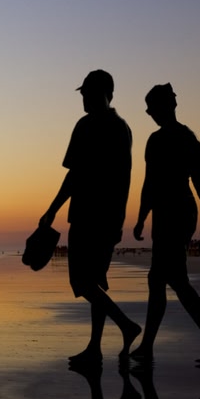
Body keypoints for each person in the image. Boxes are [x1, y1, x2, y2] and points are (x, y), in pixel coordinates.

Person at [40, 70, 141, 364]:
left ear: (106, 94)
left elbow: (118, 178)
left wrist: (53, 209)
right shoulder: (97, 126)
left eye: (88, 93)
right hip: (92, 215)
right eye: (83, 93)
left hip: (94, 217)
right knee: (93, 282)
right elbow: (77, 174)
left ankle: (126, 325)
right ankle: (95, 347)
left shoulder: (108, 128)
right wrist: (53, 209)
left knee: (83, 283)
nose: (84, 98)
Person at [130, 84, 200, 364]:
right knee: (168, 279)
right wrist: (142, 216)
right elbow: (192, 183)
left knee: (165, 278)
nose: (149, 114)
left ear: (164, 107)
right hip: (174, 211)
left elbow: (160, 182)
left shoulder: (170, 139)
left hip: (175, 212)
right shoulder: (185, 138)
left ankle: (151, 345)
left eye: (151, 108)